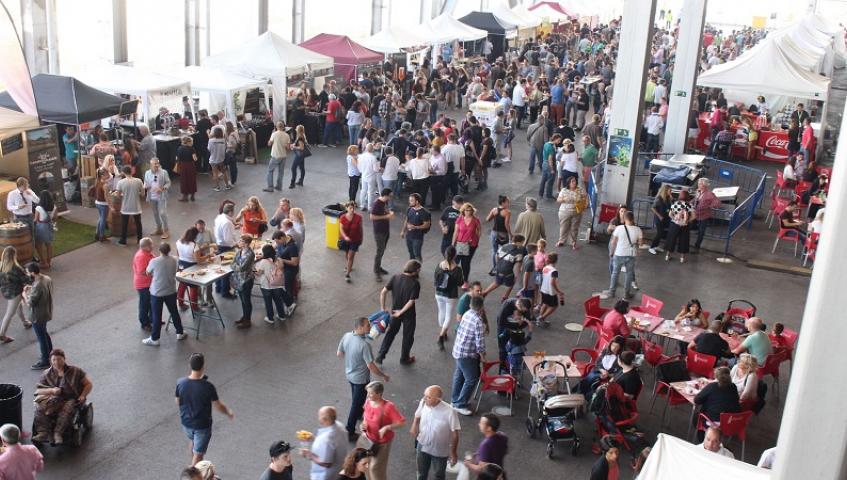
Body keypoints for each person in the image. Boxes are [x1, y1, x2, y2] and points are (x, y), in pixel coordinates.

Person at [175, 353, 234, 466]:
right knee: (198, 454)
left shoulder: (180, 383)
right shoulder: (208, 387)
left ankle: (198, 469)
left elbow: (178, 401)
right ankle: (193, 474)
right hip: (202, 426)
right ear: (203, 366)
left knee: (193, 443)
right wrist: (228, 412)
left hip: (186, 424)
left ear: (189, 365)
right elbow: (218, 405)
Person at [31, 349, 92, 445]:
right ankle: (42, 432)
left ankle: (58, 433)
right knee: (38, 406)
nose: (57, 362)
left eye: (59, 359)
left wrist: (83, 395)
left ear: (64, 359)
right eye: (54, 360)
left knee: (67, 408)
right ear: (50, 360)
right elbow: (38, 390)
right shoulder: (46, 374)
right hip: (53, 398)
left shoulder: (75, 371)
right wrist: (51, 390)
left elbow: (88, 384)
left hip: (71, 399)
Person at [376, 260, 421, 365]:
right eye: (419, 269)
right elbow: (411, 301)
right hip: (408, 315)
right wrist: (401, 312)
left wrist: (383, 308)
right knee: (408, 336)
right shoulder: (415, 283)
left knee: (390, 333)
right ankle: (404, 358)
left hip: (394, 312)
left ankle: (380, 355)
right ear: (415, 271)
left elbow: (383, 292)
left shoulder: (395, 277)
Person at [411, 385, 460, 480]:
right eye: (424, 396)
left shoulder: (450, 412)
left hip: (439, 450)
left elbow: (455, 434)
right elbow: (417, 415)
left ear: (438, 399)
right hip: (422, 444)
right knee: (421, 472)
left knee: (439, 475)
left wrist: (453, 452)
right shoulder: (423, 403)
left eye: (428, 397)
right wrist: (414, 426)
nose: (425, 399)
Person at [142, 243, 187, 346]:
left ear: (160, 251)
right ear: (169, 250)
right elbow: (178, 270)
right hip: (170, 291)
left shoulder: (154, 261)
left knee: (157, 315)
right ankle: (180, 332)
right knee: (174, 312)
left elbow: (148, 273)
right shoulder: (174, 260)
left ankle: (155, 338)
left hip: (157, 292)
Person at [359, 381, 405, 480]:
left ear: (379, 394)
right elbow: (365, 415)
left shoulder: (388, 407)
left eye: (371, 393)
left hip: (382, 443)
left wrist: (387, 427)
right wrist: (364, 424)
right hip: (368, 439)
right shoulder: (368, 401)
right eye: (368, 392)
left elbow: (401, 423)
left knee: (376, 468)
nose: (368, 395)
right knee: (365, 464)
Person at [451, 295, 486, 416]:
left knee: (459, 376)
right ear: (481, 307)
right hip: (467, 354)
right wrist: (483, 356)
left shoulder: (466, 313)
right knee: (472, 379)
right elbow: (480, 343)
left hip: (458, 350)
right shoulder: (478, 321)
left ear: (471, 305)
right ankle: (460, 404)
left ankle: (455, 400)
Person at [299, 406, 348, 480]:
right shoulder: (340, 426)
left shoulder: (327, 439)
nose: (318, 417)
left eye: (319, 416)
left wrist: (309, 454)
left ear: (324, 419)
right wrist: (314, 438)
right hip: (339, 466)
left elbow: (326, 463)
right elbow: (330, 445)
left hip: (324, 475)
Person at [602, 211, 642, 300]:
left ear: (624, 219)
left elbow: (613, 242)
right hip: (631, 255)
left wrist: (611, 252)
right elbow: (640, 243)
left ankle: (611, 292)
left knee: (615, 273)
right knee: (629, 274)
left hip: (619, 254)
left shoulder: (619, 228)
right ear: (633, 219)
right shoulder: (638, 230)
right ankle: (626, 294)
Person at [694, 366, 740, 442]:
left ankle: (702, 440)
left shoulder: (712, 386)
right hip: (729, 423)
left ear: (716, 377)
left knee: (697, 415)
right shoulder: (733, 387)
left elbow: (697, 400)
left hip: (711, 421)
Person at [23, 263, 53, 369]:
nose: (27, 274)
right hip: (46, 311)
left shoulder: (37, 285)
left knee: (41, 337)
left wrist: (24, 294)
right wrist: (32, 287)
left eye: (27, 272)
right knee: (44, 333)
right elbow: (41, 290)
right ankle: (50, 354)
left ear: (32, 273)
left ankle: (45, 360)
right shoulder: (46, 278)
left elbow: (30, 303)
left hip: (38, 315)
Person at [434, 246, 463, 351]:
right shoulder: (457, 269)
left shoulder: (439, 265)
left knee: (441, 312)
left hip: (439, 293)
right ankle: (441, 336)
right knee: (448, 316)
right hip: (450, 295)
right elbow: (460, 283)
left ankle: (443, 332)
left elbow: (435, 278)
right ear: (455, 255)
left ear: (445, 254)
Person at [482, 235, 527, 302]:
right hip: (508, 271)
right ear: (518, 242)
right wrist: (517, 275)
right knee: (512, 282)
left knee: (497, 282)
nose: (523, 244)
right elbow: (518, 266)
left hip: (499, 268)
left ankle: (485, 292)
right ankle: (505, 296)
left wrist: (498, 264)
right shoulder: (518, 252)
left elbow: (497, 255)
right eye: (522, 242)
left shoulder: (504, 246)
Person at [0, 246, 30, 343]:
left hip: (6, 292)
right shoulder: (16, 268)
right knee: (10, 313)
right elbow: (27, 280)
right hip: (15, 293)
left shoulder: (1, 266)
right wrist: (30, 274)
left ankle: (25, 322)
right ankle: (2, 334)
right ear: (14, 256)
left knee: (19, 306)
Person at [176, 228, 208, 313]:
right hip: (191, 267)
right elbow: (198, 260)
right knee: (193, 287)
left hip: (181, 265)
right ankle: (195, 307)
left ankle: (181, 303)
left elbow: (178, 254)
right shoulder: (194, 245)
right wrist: (208, 256)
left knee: (182, 285)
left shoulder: (179, 241)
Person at [452, 202, 481, 288]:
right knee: (455, 261)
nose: (468, 212)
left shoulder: (475, 220)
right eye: (466, 210)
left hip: (471, 245)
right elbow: (456, 232)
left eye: (470, 210)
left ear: (472, 211)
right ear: (463, 211)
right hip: (460, 243)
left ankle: (465, 281)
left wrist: (476, 238)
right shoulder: (460, 219)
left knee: (466, 263)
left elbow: (479, 230)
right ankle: (454, 277)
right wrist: (453, 244)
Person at [369, 189, 394, 282]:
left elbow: (385, 210)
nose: (391, 197)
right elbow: (372, 217)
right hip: (379, 231)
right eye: (390, 196)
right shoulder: (377, 204)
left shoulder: (385, 202)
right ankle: (376, 271)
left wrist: (389, 212)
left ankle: (378, 267)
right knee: (380, 251)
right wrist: (386, 216)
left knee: (382, 250)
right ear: (385, 195)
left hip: (385, 230)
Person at [114, 165, 144, 246]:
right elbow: (143, 194)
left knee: (124, 224)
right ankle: (140, 240)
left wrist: (124, 195)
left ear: (123, 173)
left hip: (126, 206)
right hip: (136, 206)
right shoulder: (138, 181)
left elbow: (118, 195)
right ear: (131, 171)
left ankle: (123, 240)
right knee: (138, 223)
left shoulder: (120, 182)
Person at [232, 234, 256, 329]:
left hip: (246, 280)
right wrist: (236, 267)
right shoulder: (239, 251)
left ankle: (248, 320)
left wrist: (236, 267)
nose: (239, 242)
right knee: (242, 300)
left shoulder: (250, 254)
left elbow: (242, 268)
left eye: (241, 241)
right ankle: (244, 317)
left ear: (246, 243)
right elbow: (232, 263)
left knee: (246, 300)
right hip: (239, 279)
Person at [555, 176, 587, 249]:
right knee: (564, 227)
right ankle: (561, 241)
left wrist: (584, 204)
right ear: (568, 183)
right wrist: (564, 199)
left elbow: (585, 197)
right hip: (564, 212)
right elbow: (558, 200)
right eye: (572, 181)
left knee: (574, 228)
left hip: (577, 212)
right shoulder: (564, 190)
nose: (574, 183)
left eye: (575, 181)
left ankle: (573, 242)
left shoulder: (580, 190)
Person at [144, 158, 171, 240]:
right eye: (154, 164)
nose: (156, 165)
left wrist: (162, 189)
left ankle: (166, 230)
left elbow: (168, 182)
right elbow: (145, 182)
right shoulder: (147, 173)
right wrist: (145, 186)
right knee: (155, 213)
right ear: (150, 165)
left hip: (161, 196)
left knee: (162, 213)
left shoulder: (163, 172)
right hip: (151, 196)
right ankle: (159, 228)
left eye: (157, 164)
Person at [665, 190, 695, 263]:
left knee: (671, 239)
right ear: (687, 196)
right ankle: (682, 258)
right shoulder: (689, 205)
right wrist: (687, 221)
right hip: (684, 226)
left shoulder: (675, 203)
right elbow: (694, 216)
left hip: (674, 225)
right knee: (683, 241)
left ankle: (667, 256)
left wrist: (675, 219)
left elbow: (669, 214)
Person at [693, 178, 720, 252]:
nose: (698, 185)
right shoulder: (698, 191)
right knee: (695, 228)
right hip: (696, 214)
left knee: (701, 231)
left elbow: (717, 202)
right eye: (698, 183)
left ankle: (697, 246)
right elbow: (695, 199)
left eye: (700, 184)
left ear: (704, 185)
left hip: (704, 216)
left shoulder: (709, 194)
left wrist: (710, 206)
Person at [486, 196, 512, 273]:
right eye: (507, 202)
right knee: (505, 250)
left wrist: (494, 216)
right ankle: (504, 268)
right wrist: (511, 234)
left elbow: (487, 219)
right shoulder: (507, 212)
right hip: (503, 234)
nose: (508, 203)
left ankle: (495, 268)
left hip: (494, 233)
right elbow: (506, 224)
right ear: (503, 202)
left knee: (495, 251)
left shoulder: (494, 210)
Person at [537, 253, 564, 325]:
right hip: (550, 292)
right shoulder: (554, 271)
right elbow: (552, 283)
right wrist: (559, 291)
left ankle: (540, 319)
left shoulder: (545, 267)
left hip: (543, 289)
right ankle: (542, 318)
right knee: (554, 306)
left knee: (545, 304)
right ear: (556, 261)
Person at [339, 201, 363, 283]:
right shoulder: (342, 217)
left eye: (353, 208)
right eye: (350, 208)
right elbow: (341, 229)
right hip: (345, 240)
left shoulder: (359, 217)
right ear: (346, 208)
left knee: (350, 256)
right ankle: (349, 266)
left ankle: (348, 274)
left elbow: (360, 229)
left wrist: (361, 238)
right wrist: (345, 237)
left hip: (355, 240)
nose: (352, 210)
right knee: (347, 254)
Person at [402, 193, 431, 262]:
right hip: (409, 236)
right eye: (410, 200)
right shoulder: (409, 209)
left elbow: (427, 225)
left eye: (411, 200)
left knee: (417, 254)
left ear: (417, 201)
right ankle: (412, 267)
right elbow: (406, 220)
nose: (409, 202)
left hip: (417, 238)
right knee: (411, 253)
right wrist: (403, 231)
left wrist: (415, 227)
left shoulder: (424, 212)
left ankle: (418, 267)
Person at [265, 121, 291, 192]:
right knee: (281, 172)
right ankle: (279, 186)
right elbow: (288, 148)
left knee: (270, 171)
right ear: (283, 127)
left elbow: (269, 144)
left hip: (275, 155)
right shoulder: (287, 135)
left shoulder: (274, 134)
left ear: (276, 127)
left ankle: (270, 187)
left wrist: (271, 134)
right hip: (283, 156)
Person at [648, 184, 672, 254]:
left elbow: (668, 207)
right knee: (659, 233)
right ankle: (651, 247)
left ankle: (656, 246)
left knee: (661, 233)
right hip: (659, 219)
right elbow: (653, 208)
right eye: (670, 190)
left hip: (665, 218)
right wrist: (659, 216)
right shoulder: (659, 198)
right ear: (666, 190)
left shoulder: (667, 198)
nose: (671, 191)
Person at [358, 143, 379, 212]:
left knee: (363, 191)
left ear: (366, 149)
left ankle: (362, 205)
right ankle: (370, 207)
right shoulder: (373, 158)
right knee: (370, 192)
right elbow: (376, 169)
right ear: (372, 149)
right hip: (371, 177)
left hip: (364, 176)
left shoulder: (361, 156)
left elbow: (359, 167)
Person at [539, 134, 562, 199]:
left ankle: (541, 193)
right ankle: (548, 195)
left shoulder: (546, 144)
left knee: (543, 179)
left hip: (544, 163)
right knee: (550, 181)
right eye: (558, 140)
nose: (559, 142)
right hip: (549, 165)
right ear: (555, 139)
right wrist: (552, 169)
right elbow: (550, 159)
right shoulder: (551, 148)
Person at [208, 127, 231, 191]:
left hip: (213, 159)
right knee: (224, 172)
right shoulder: (224, 140)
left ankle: (217, 187)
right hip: (221, 159)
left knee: (215, 173)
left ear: (214, 133)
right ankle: (227, 185)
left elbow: (209, 149)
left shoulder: (211, 141)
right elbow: (225, 148)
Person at [176, 136, 198, 202]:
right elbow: (195, 159)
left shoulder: (180, 148)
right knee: (192, 180)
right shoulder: (192, 149)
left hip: (183, 166)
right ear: (189, 142)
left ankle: (185, 197)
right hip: (191, 166)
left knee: (184, 181)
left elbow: (177, 158)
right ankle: (192, 196)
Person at [93, 168, 110, 241]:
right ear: (102, 175)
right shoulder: (105, 185)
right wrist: (110, 205)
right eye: (107, 174)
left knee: (100, 218)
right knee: (103, 219)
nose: (108, 175)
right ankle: (101, 235)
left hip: (97, 203)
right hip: (103, 204)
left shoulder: (97, 181)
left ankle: (97, 233)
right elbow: (106, 197)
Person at [289, 124, 308, 189]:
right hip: (301, 155)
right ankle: (301, 181)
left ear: (298, 130)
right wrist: (293, 145)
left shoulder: (300, 137)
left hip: (299, 155)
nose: (295, 129)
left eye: (296, 129)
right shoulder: (302, 136)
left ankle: (293, 183)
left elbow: (301, 147)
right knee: (302, 168)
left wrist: (294, 147)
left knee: (293, 168)